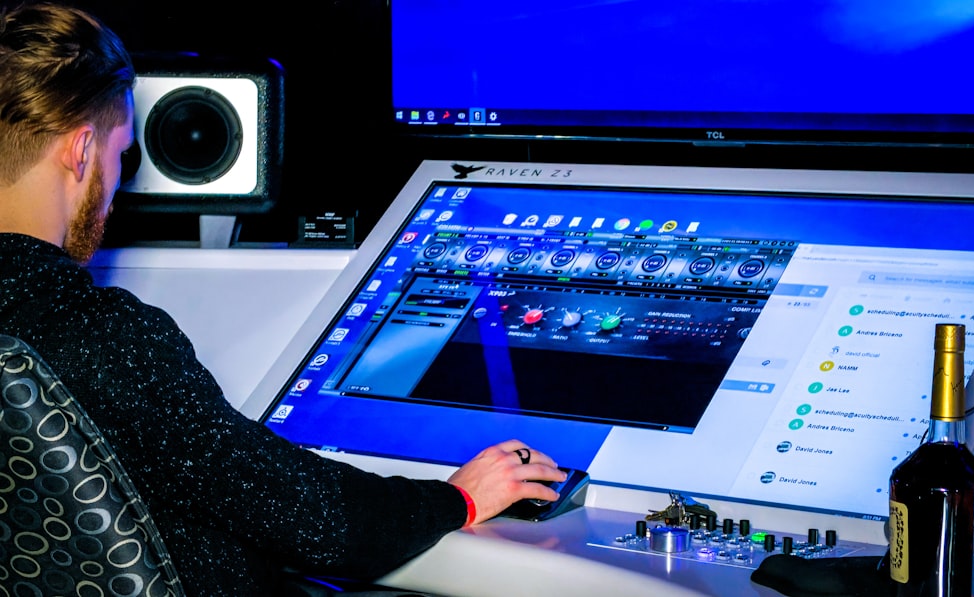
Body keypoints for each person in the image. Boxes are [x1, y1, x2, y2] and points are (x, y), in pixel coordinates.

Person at [0, 2, 567, 594]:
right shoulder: (102, 336)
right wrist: (458, 499)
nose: (117, 186)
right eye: (121, 156)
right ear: (82, 151)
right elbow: (315, 521)